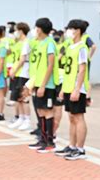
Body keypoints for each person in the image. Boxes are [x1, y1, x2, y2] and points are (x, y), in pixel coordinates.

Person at [55, 19, 90, 160]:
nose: (68, 31)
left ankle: (80, 149)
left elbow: (82, 70)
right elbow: (68, 70)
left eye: (71, 29)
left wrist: (77, 89)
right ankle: (72, 146)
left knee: (78, 117)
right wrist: (64, 89)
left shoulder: (82, 47)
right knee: (71, 118)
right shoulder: (70, 47)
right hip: (68, 86)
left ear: (78, 30)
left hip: (77, 88)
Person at [28, 18, 59, 153]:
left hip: (47, 84)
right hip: (38, 82)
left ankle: (50, 141)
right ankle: (42, 138)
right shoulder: (39, 43)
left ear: (40, 29)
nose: (35, 30)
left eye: (36, 28)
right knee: (40, 110)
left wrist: (43, 85)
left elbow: (50, 65)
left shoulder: (50, 43)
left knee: (47, 111)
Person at [7, 22, 32, 131]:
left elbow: (23, 59)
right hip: (18, 72)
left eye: (17, 30)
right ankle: (21, 118)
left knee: (24, 97)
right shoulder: (18, 43)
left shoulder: (27, 42)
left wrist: (14, 70)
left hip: (24, 72)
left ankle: (27, 120)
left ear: (21, 31)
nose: (15, 32)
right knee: (18, 97)